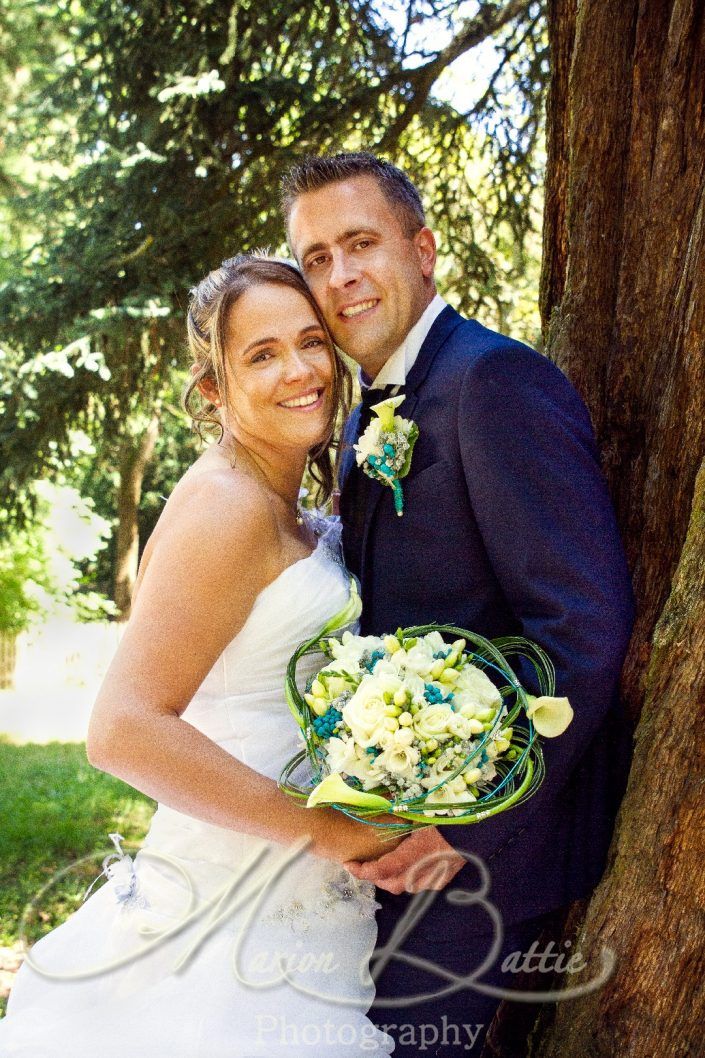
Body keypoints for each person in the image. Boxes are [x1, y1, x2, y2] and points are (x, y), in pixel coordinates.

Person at [282, 152, 636, 1056]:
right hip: (398, 830)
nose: (340, 275)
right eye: (315, 258)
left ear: (423, 249)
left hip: (483, 855)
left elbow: (580, 628)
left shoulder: (492, 383)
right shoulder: (365, 415)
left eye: (359, 243)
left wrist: (456, 822)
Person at [0, 255, 397, 1057]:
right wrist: (326, 832)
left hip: (295, 895)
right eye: (261, 354)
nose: (300, 370)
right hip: (232, 901)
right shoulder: (226, 507)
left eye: (311, 342)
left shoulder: (287, 501)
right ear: (211, 389)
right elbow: (121, 730)